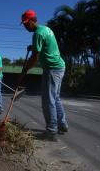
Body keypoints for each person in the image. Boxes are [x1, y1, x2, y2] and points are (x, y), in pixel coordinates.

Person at [21, 9, 68, 141]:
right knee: (56, 98)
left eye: (26, 23)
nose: (25, 26)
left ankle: (51, 130)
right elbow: (42, 47)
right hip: (60, 67)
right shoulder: (46, 29)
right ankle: (62, 124)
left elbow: (35, 57)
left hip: (52, 69)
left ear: (32, 21)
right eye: (24, 24)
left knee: (48, 101)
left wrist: (25, 70)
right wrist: (33, 47)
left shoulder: (37, 34)